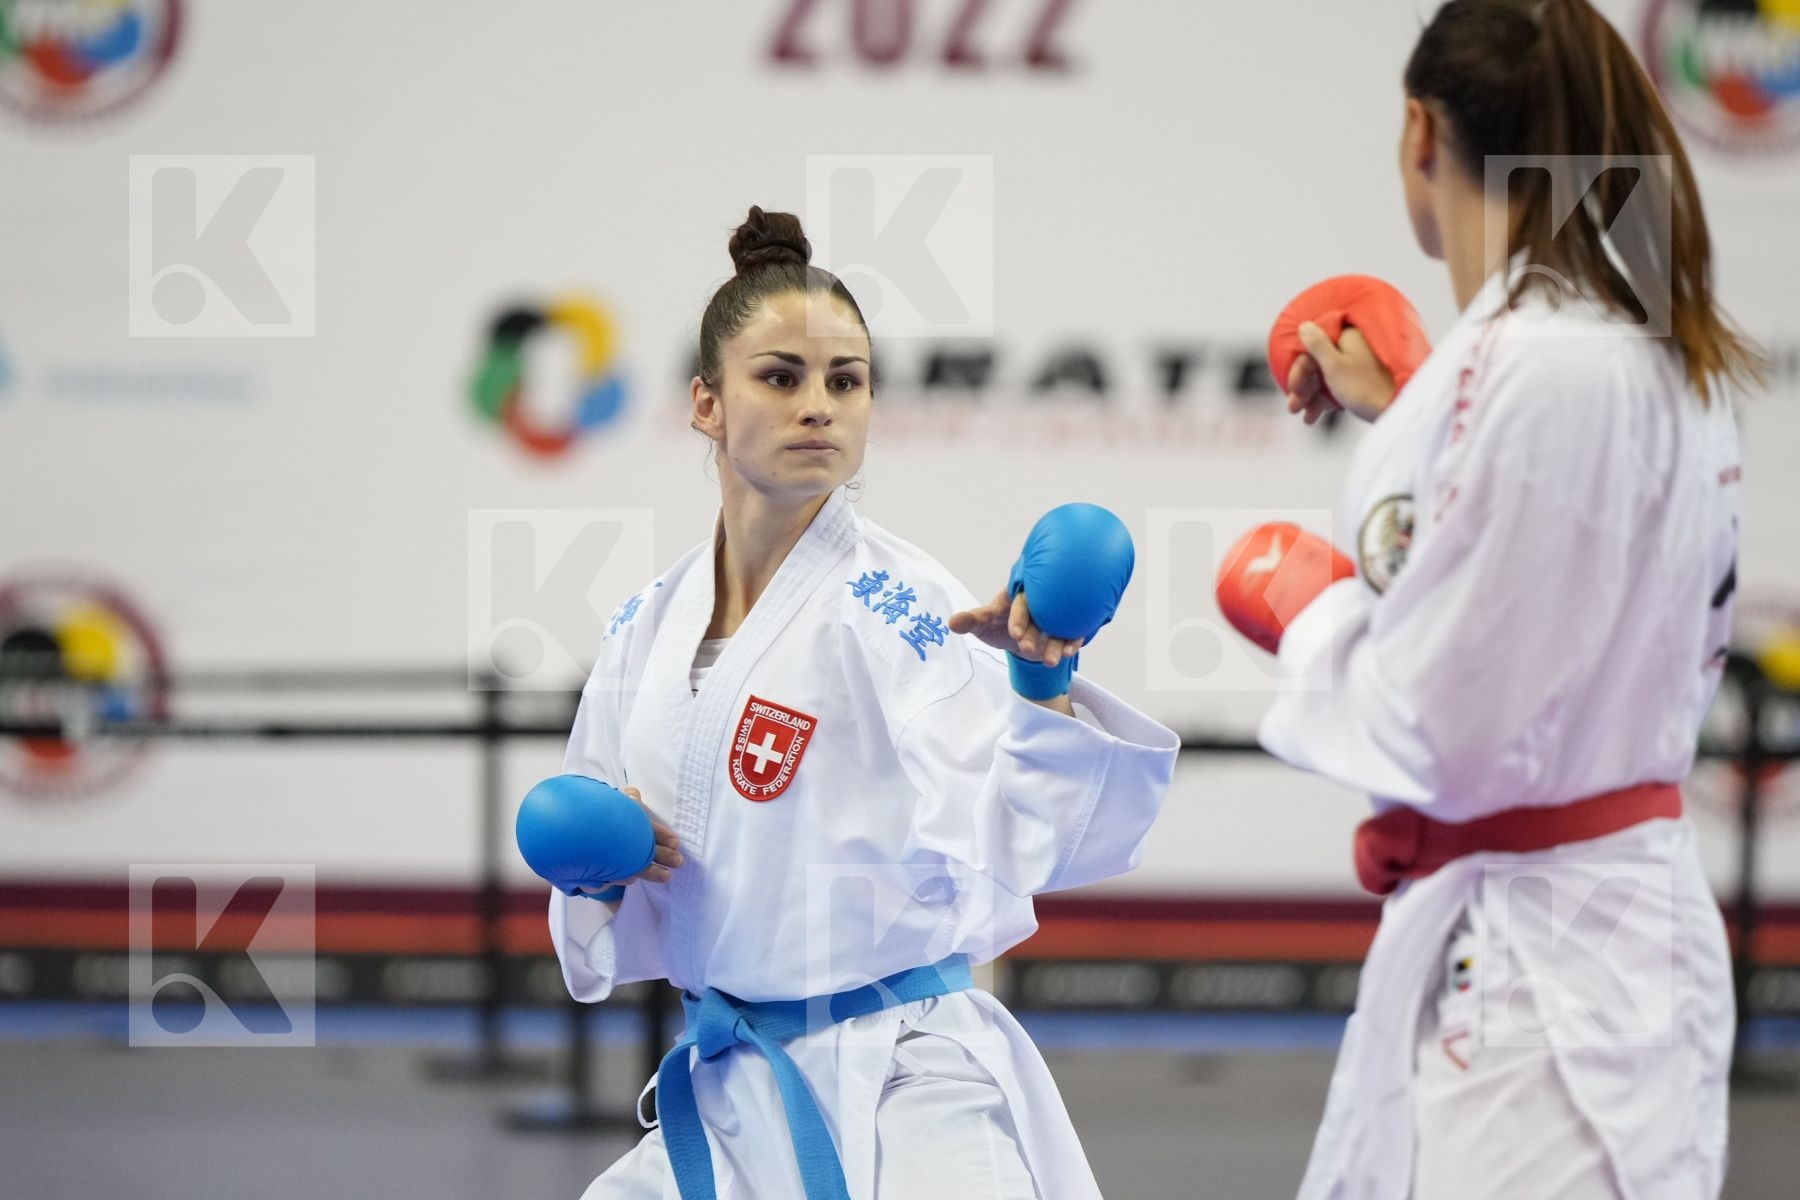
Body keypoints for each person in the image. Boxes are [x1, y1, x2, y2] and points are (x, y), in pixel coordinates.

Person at [1214, 1, 1759, 1196]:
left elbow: (1449, 734)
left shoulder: (1540, 366)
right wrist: (1417, 414)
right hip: (1577, 936)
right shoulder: (1637, 326)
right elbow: (1556, 572)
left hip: (1546, 976)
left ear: (1421, 131)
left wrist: (1303, 604)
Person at [539, 206, 1180, 1199]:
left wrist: (1040, 689)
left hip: (903, 1080)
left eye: (847, 381)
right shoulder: (647, 627)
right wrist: (599, 873)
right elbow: (601, 879)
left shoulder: (901, 604)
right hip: (735, 1084)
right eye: (781, 378)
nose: (820, 407)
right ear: (706, 404)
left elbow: (1028, 832)